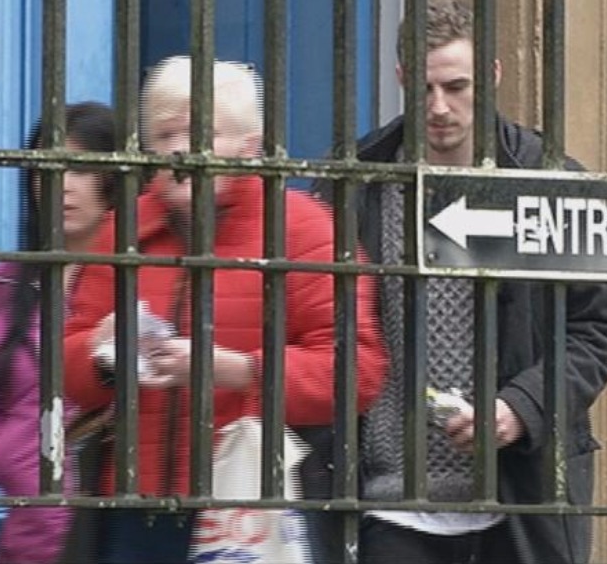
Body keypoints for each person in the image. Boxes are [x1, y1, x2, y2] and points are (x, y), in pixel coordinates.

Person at [322, 0, 607, 564]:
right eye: (425, 88)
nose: (439, 107)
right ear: (402, 78)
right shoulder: (358, 180)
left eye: (457, 87)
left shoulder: (548, 180)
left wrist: (519, 408)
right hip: (391, 500)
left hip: (520, 497)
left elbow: (596, 332)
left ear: (492, 75)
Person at [62, 56, 388, 564]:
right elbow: (65, 367)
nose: (179, 149)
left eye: (201, 134)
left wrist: (238, 370)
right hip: (134, 509)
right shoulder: (123, 232)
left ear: (249, 147)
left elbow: (357, 372)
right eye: (165, 135)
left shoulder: (303, 231)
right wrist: (104, 357)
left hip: (255, 502)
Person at [0, 101, 116, 564]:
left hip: (122, 526)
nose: (62, 184)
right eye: (46, 169)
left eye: (81, 168)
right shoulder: (8, 281)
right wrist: (13, 456)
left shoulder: (147, 279)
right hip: (34, 536)